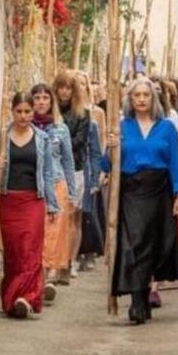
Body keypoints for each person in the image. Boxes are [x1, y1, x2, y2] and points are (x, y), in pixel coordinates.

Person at [102, 78, 178, 325]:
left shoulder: (167, 128)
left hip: (159, 190)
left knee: (154, 245)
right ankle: (137, 303)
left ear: (153, 99)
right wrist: (110, 148)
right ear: (130, 99)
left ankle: (145, 294)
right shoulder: (121, 127)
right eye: (136, 95)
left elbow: (175, 162)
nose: (141, 99)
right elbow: (106, 165)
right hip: (130, 192)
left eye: (145, 95)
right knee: (132, 245)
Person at [0, 92, 62, 319]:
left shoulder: (42, 139)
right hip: (8, 200)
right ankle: (11, 299)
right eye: (19, 112)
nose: (24, 116)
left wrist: (52, 204)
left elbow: (46, 173)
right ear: (12, 111)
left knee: (30, 250)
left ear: (33, 112)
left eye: (28, 112)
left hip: (32, 201)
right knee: (14, 252)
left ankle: (26, 298)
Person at [54, 70, 103, 277]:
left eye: (68, 88)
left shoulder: (82, 114)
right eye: (61, 87)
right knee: (56, 217)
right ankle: (56, 260)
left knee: (74, 217)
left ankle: (70, 260)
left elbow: (81, 142)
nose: (64, 92)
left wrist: (56, 144)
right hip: (54, 171)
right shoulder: (50, 112)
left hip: (75, 169)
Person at [30, 83, 77, 293]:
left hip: (57, 183)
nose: (41, 102)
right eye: (37, 98)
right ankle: (37, 275)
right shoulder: (26, 127)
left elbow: (68, 161)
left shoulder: (60, 128)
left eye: (45, 98)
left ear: (51, 102)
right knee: (36, 232)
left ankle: (48, 276)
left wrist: (72, 193)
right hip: (32, 185)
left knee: (53, 231)